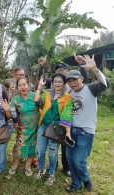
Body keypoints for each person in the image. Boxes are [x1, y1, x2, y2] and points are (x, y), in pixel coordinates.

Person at [64, 55, 109, 193]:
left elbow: (105, 84)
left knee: (78, 160)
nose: (72, 83)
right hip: (70, 130)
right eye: (69, 81)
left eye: (74, 80)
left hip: (85, 132)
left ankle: (86, 179)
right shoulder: (69, 92)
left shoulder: (91, 88)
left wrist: (94, 69)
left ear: (81, 79)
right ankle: (75, 184)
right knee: (70, 159)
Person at [37, 55, 88, 176]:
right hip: (52, 121)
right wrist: (41, 66)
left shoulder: (71, 83)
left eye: (62, 69)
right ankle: (49, 168)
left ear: (67, 71)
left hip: (70, 119)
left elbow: (84, 78)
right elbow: (41, 79)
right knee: (50, 147)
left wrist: (81, 64)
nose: (59, 71)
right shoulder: (53, 84)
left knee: (65, 146)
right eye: (57, 70)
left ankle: (66, 168)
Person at [34, 73, 73, 185]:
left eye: (60, 81)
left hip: (57, 129)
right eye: (55, 81)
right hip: (43, 126)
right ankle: (41, 169)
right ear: (52, 83)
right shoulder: (47, 94)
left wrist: (68, 131)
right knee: (40, 150)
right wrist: (40, 87)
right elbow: (37, 101)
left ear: (64, 83)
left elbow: (67, 115)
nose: (57, 84)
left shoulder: (67, 97)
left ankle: (51, 174)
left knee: (52, 152)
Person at [8, 77, 40, 177]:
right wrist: (15, 121)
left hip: (36, 127)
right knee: (20, 146)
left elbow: (43, 105)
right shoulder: (15, 99)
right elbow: (12, 112)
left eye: (24, 84)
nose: (22, 87)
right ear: (17, 88)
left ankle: (28, 166)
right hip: (23, 128)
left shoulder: (34, 96)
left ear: (28, 85)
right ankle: (15, 164)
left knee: (33, 147)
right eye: (20, 85)